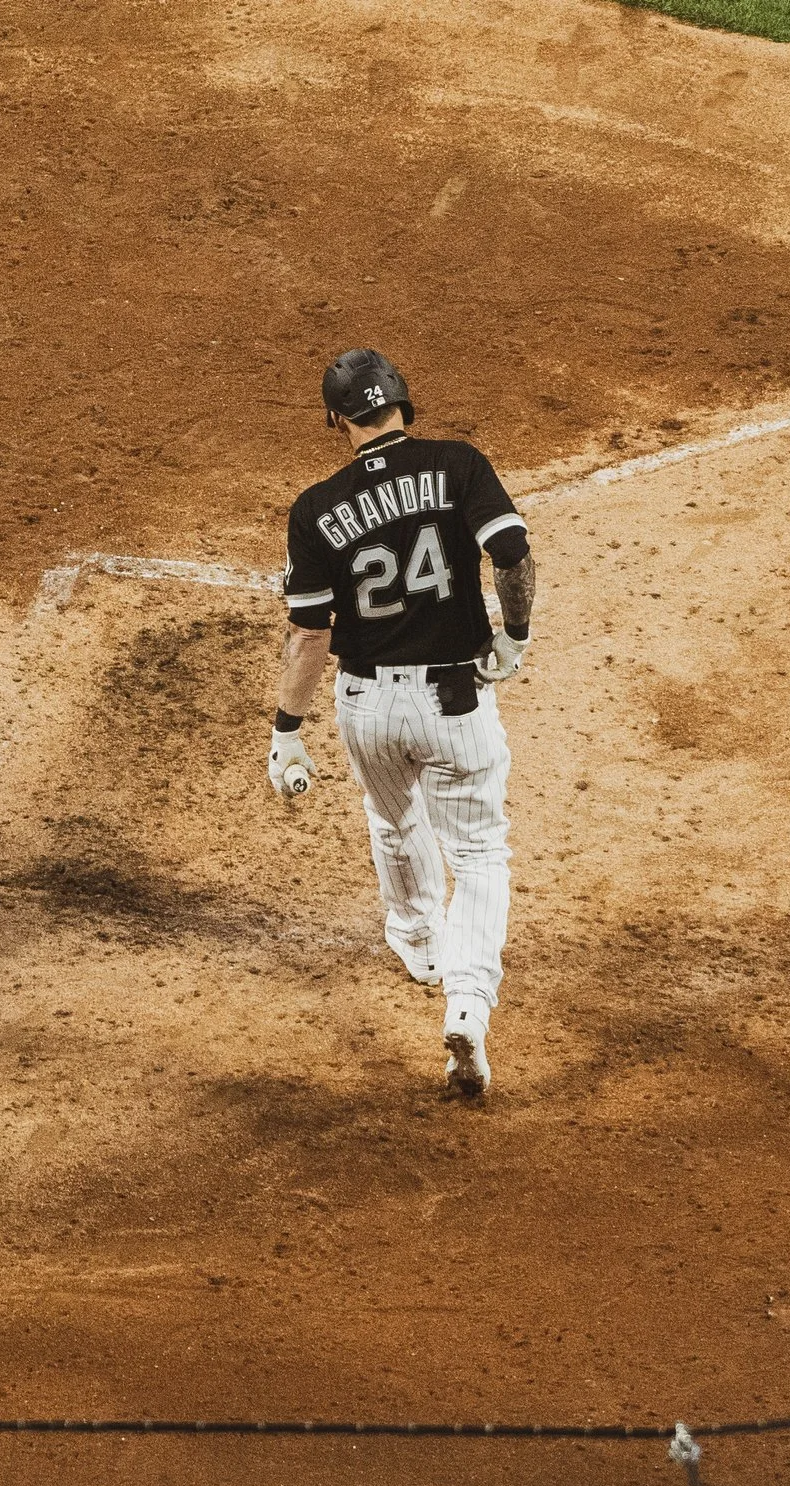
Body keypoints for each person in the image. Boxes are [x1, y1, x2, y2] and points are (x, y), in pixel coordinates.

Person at [266, 349, 539, 1096]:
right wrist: (512, 636)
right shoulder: (459, 465)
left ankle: (420, 945)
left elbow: (311, 633)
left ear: (336, 419)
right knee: (480, 854)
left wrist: (287, 727)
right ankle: (467, 1002)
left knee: (391, 819)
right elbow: (510, 553)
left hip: (368, 708)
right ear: (403, 403)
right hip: (457, 699)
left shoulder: (314, 507)